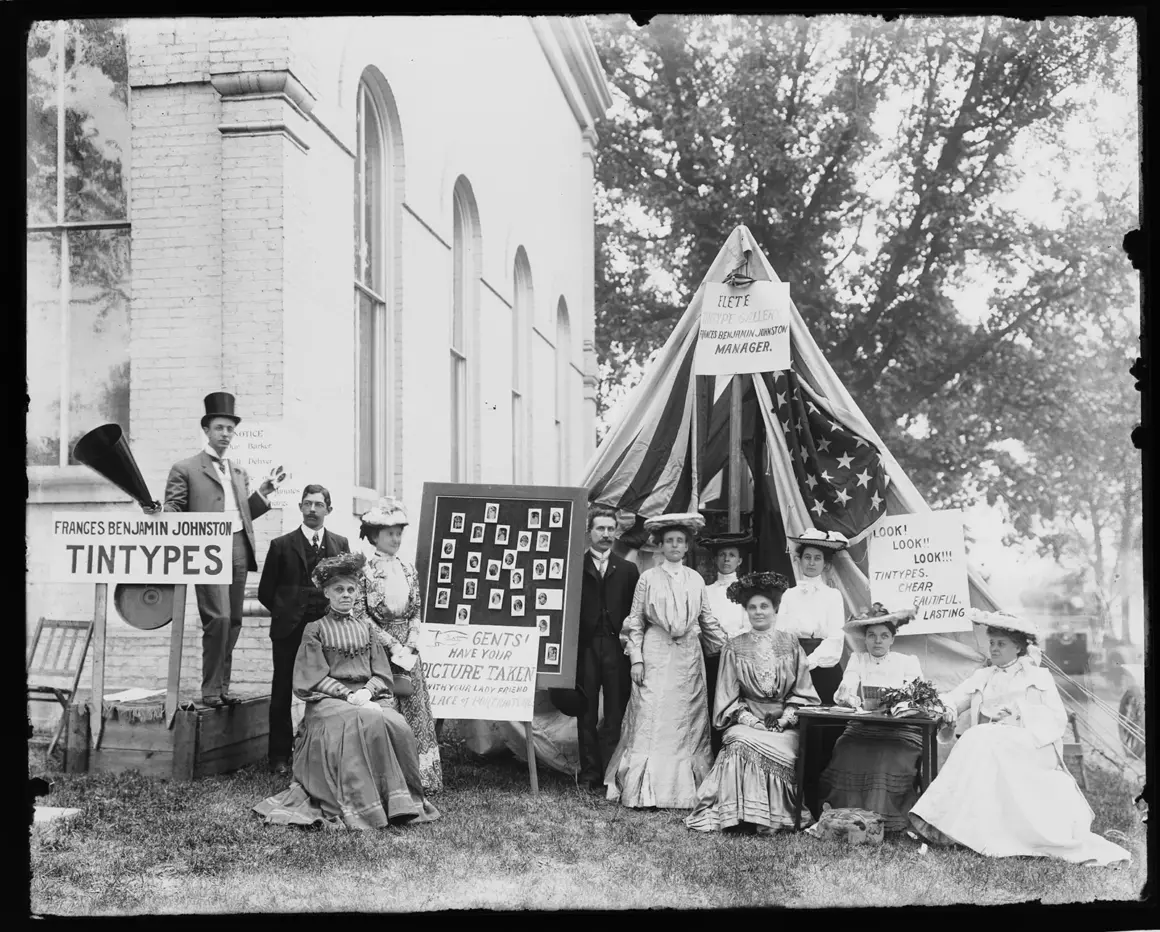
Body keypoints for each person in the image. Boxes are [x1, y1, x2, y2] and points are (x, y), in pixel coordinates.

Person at [908, 610, 1130, 866]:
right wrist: (946, 707)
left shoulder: (1038, 677)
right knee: (979, 738)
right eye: (991, 643)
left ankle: (951, 825)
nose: (994, 648)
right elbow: (955, 698)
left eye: (1001, 644)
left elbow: (1055, 718)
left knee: (979, 737)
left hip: (1030, 744)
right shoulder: (984, 676)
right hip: (991, 742)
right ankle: (950, 826)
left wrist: (1020, 713)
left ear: (1018, 648)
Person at [253, 552, 440, 831]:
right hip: (327, 702)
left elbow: (381, 673)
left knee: (396, 723)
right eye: (339, 589)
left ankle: (400, 802)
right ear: (327, 593)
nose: (346, 595)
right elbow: (310, 677)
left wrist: (366, 691)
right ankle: (364, 806)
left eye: (351, 589)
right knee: (362, 720)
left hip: (366, 697)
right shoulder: (314, 629)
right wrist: (347, 695)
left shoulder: (367, 628)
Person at [144, 392, 278, 708]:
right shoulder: (185, 468)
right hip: (206, 549)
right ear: (206, 430)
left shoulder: (239, 471)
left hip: (238, 547)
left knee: (233, 620)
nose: (225, 434)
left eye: (230, 429)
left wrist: (263, 494)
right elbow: (175, 508)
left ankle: (221, 688)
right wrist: (161, 511)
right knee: (217, 618)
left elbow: (243, 515)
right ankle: (210, 690)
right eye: (220, 428)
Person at [604, 512, 727, 809]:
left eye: (680, 541)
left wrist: (729, 650)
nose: (674, 546)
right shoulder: (648, 577)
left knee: (685, 718)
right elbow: (635, 621)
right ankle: (642, 790)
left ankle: (688, 790)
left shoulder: (696, 579)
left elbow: (707, 620)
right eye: (669, 541)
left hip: (687, 654)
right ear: (660, 546)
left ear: (687, 547)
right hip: (655, 649)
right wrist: (636, 659)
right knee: (649, 713)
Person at [686, 571, 821, 834]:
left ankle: (770, 817)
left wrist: (784, 719)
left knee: (779, 745)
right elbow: (727, 697)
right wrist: (752, 721)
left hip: (783, 724)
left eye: (764, 606)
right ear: (746, 611)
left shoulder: (791, 643)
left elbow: (804, 691)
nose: (758, 612)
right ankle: (740, 815)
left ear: (775, 609)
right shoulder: (734, 647)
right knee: (737, 742)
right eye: (752, 607)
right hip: (747, 721)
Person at [257, 485, 350, 776]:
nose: (312, 509)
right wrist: (290, 610)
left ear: (328, 510)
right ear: (299, 507)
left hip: (329, 631)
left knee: (333, 688)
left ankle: (329, 752)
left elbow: (346, 586)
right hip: (289, 631)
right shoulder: (281, 545)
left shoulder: (340, 544)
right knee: (282, 690)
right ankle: (279, 757)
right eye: (307, 504)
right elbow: (265, 592)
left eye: (318, 504)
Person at [356, 497, 442, 794]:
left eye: (398, 533)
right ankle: (386, 779)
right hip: (381, 651)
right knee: (386, 709)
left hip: (409, 653)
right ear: (375, 535)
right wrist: (392, 645)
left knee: (415, 710)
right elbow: (361, 615)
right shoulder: (363, 570)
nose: (395, 538)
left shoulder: (408, 568)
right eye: (389, 533)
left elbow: (417, 609)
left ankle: (421, 779)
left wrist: (413, 642)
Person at [817, 604, 923, 832]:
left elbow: (915, 696)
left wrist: (899, 705)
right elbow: (848, 684)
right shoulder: (858, 659)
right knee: (847, 748)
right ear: (865, 639)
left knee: (885, 755)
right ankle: (846, 817)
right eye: (872, 636)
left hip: (900, 730)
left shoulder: (907, 662)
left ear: (892, 639)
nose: (878, 641)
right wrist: (848, 696)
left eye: (884, 636)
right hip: (862, 727)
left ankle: (887, 818)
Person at [573, 505, 640, 794]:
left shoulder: (627, 569)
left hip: (616, 647)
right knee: (586, 711)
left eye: (610, 529)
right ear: (589, 532)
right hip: (586, 647)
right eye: (600, 528)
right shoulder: (576, 567)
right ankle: (589, 773)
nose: (606, 534)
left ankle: (611, 773)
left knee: (615, 711)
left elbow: (635, 614)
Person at [778, 528, 849, 705]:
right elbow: (780, 633)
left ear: (825, 564)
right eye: (807, 557)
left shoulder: (833, 595)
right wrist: (792, 664)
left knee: (822, 722)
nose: (811, 562)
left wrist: (810, 662)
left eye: (817, 558)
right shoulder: (789, 594)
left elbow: (835, 637)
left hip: (823, 668)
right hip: (793, 667)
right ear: (799, 561)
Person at [698, 531, 753, 755]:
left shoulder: (747, 591)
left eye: (732, 555)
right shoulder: (706, 591)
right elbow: (698, 622)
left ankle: (734, 755)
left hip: (738, 659)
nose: (726, 559)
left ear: (739, 560)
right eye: (722, 555)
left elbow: (749, 625)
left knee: (735, 706)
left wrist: (729, 642)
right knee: (711, 705)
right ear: (715, 559)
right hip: (711, 658)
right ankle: (712, 754)